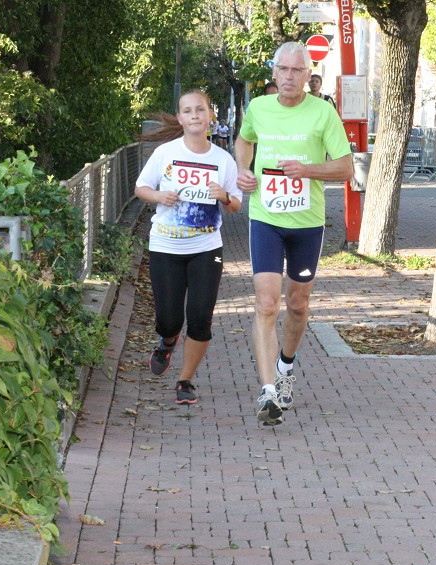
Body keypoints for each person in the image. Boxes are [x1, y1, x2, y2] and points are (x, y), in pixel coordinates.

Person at [234, 42, 353, 426]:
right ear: (274, 73)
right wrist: (244, 170)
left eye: (295, 71)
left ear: (307, 76)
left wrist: (307, 170)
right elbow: (244, 139)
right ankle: (268, 391)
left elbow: (346, 168)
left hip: (306, 223)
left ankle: (286, 366)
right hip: (266, 219)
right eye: (282, 69)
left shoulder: (323, 113)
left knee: (298, 304)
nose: (288, 77)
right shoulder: (258, 108)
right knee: (267, 303)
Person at [134, 90, 243, 405]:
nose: (195, 115)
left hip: (206, 248)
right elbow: (141, 187)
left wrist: (223, 195)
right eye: (188, 110)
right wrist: (159, 197)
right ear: (180, 118)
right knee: (169, 320)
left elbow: (236, 204)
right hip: (166, 246)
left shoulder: (223, 160)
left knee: (199, 317)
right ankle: (167, 343)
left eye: (200, 109)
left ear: (210, 116)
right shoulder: (166, 153)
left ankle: (185, 380)